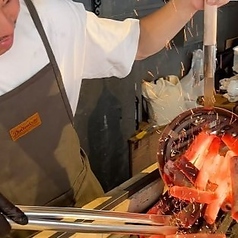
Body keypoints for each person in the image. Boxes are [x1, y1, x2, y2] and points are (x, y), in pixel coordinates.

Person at [0, 0, 230, 236]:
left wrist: (187, 4)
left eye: (6, 2)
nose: (4, 27)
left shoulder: (47, 17)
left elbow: (137, 43)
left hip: (83, 201)